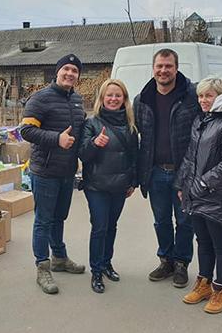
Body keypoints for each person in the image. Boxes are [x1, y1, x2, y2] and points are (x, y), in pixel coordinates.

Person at [174, 77, 222, 314]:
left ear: (220, 97)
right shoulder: (201, 120)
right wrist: (182, 184)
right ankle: (204, 283)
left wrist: (203, 184)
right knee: (202, 242)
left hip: (219, 198)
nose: (203, 100)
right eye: (201, 96)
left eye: (209, 96)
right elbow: (190, 157)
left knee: (221, 245)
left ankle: (221, 290)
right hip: (196, 194)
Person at [20, 54, 87, 295]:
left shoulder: (77, 100)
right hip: (45, 171)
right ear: (57, 72)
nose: (70, 73)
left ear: (78, 76)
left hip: (67, 171)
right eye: (66, 69)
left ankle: (59, 257)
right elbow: (25, 130)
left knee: (59, 217)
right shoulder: (40, 98)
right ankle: (42, 266)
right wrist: (56, 139)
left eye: (74, 70)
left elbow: (81, 134)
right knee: (43, 220)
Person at [134, 48, 201, 288]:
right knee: (161, 220)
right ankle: (166, 260)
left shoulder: (192, 95)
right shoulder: (142, 99)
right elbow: (139, 136)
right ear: (153, 69)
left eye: (168, 66)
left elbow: (201, 134)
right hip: (155, 172)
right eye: (159, 66)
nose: (163, 71)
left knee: (184, 221)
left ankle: (181, 263)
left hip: (185, 172)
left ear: (176, 68)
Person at [79, 79, 138, 294]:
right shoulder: (91, 123)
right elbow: (83, 154)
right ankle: (96, 270)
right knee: (100, 227)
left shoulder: (130, 125)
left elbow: (134, 156)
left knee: (112, 226)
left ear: (124, 99)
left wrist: (133, 181)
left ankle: (106, 263)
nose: (113, 99)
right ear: (102, 98)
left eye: (118, 95)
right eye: (109, 95)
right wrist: (94, 143)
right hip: (96, 186)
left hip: (120, 186)